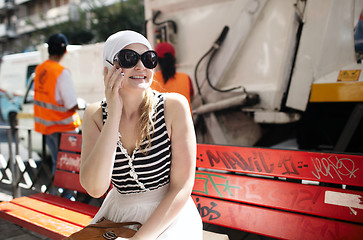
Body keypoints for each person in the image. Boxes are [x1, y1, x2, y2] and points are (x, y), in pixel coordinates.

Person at [80, 30, 203, 240]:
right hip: (118, 214)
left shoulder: (173, 107)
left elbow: (181, 188)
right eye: (129, 58)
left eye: (148, 59)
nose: (141, 66)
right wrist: (113, 114)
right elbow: (95, 188)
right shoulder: (95, 115)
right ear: (109, 68)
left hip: (169, 217)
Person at [33, 33, 81, 175]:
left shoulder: (40, 69)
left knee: (57, 163)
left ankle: (57, 194)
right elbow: (70, 103)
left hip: (47, 128)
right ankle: (64, 196)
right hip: (64, 128)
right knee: (66, 166)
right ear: (65, 51)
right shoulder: (61, 72)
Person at [151, 42, 194, 113]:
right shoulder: (186, 78)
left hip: (160, 123)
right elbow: (191, 98)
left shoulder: (150, 80)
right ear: (174, 58)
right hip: (185, 121)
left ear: (157, 60)